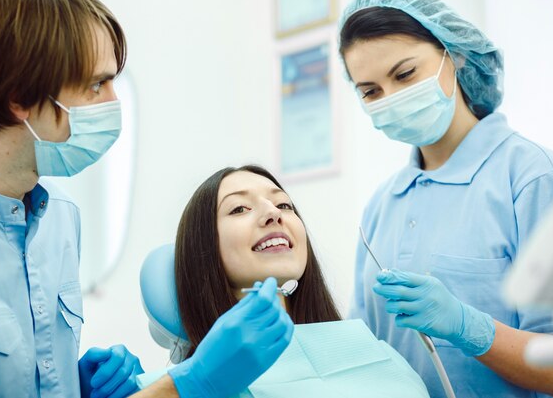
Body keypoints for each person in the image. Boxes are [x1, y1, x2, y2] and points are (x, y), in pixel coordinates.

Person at [0, 0, 294, 398]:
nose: (112, 102)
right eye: (96, 85)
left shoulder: (59, 216)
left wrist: (68, 385)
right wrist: (191, 384)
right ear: (19, 98)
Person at [338, 0, 553, 397]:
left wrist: (468, 327)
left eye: (405, 74)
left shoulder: (535, 179)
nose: (391, 98)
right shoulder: (381, 205)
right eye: (370, 91)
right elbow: (365, 354)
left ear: (454, 54)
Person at [132, 165, 430, 397]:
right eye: (239, 209)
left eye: (284, 205)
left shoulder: (379, 356)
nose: (272, 213)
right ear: (203, 250)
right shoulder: (170, 390)